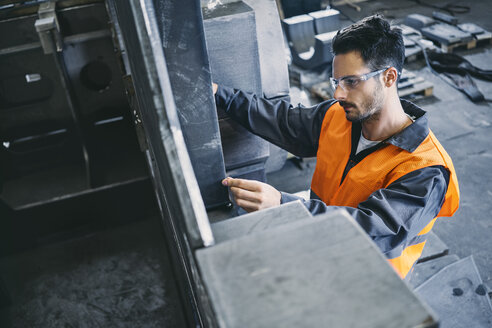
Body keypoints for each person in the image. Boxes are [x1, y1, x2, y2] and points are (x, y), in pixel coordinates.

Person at [213, 15, 459, 279]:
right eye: (336, 82)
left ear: (389, 77)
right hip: (321, 248)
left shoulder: (426, 169)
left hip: (371, 286)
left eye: (351, 82)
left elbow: (374, 231)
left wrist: (284, 205)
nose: (338, 94)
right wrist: (219, 94)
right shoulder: (339, 117)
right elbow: (283, 122)